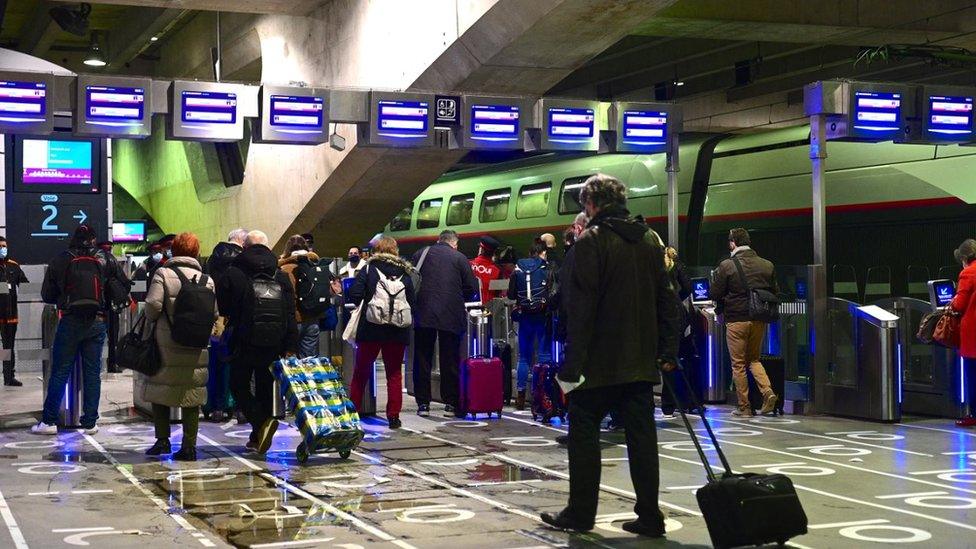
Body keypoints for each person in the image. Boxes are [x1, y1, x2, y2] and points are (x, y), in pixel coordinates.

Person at [543, 174, 680, 538]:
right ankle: (650, 515)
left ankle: (580, 512)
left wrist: (572, 365)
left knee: (584, 436)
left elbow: (580, 308)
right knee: (642, 440)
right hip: (641, 362)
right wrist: (668, 349)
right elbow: (667, 298)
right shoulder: (650, 239)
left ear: (590, 204)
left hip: (599, 364)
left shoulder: (591, 241)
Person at [33, 225, 121, 435]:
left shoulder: (61, 259)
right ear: (93, 239)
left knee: (60, 371)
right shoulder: (105, 258)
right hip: (97, 320)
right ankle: (90, 422)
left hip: (70, 320)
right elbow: (120, 286)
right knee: (92, 373)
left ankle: (49, 422)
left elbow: (47, 294)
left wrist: (66, 298)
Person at [216, 230, 299, 453]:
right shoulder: (280, 275)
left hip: (243, 339)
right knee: (264, 386)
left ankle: (261, 423)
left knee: (238, 385)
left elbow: (223, 308)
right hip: (274, 341)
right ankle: (258, 435)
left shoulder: (233, 272)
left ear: (244, 247)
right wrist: (291, 345)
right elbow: (290, 313)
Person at [142, 233, 216, 461]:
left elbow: (153, 307)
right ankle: (189, 446)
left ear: (174, 249)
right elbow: (214, 313)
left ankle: (162, 440)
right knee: (191, 393)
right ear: (195, 252)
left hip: (166, 343)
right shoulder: (207, 279)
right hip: (196, 344)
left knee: (160, 388)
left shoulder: (163, 273)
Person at [710, 227, 779, 417]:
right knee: (754, 359)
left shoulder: (727, 266)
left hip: (736, 319)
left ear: (733, 243)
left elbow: (715, 293)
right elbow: (775, 291)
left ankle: (744, 407)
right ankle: (768, 392)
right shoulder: (767, 265)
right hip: (759, 318)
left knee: (738, 364)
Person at [347, 236, 416, 429]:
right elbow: (412, 300)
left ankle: (353, 413)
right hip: (397, 330)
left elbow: (355, 294)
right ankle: (393, 417)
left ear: (377, 250)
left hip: (371, 327)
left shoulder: (368, 269)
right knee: (394, 373)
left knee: (361, 372)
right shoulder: (405, 272)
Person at [412, 230, 478, 418]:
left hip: (423, 313)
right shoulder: (459, 257)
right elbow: (471, 287)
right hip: (451, 314)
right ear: (454, 243)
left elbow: (411, 281)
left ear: (439, 240)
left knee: (422, 358)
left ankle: (423, 403)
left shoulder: (421, 254)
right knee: (450, 359)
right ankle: (450, 403)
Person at [202, 228, 247, 422]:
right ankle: (235, 405)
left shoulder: (212, 259)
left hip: (216, 319)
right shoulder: (243, 260)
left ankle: (214, 406)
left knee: (214, 361)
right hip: (235, 318)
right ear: (242, 242)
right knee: (237, 361)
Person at [508, 238, 553, 410]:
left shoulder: (518, 267)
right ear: (543, 252)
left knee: (523, 357)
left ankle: (520, 397)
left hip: (524, 317)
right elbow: (552, 292)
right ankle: (542, 396)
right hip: (542, 317)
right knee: (543, 357)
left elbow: (512, 295)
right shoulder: (546, 267)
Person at [279, 234, 339, 358]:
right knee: (309, 360)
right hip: (313, 319)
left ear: (287, 249)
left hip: (293, 321)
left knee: (291, 362)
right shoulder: (316, 266)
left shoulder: (284, 269)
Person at [950, 239, 976, 428]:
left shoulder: (967, 273)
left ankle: (973, 414)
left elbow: (959, 305)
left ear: (965, 258)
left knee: (972, 375)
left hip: (973, 334)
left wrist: (950, 303)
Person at [0, 236, 28, 387]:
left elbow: (25, 285)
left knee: (8, 346)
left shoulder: (14, 266)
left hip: (10, 315)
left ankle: (9, 376)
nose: (3, 249)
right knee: (5, 347)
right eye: (0, 246)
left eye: (4, 246)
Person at [470, 236, 502, 305]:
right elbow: (498, 293)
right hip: (488, 309)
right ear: (493, 253)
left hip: (470, 306)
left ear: (481, 250)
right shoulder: (497, 270)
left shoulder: (469, 265)